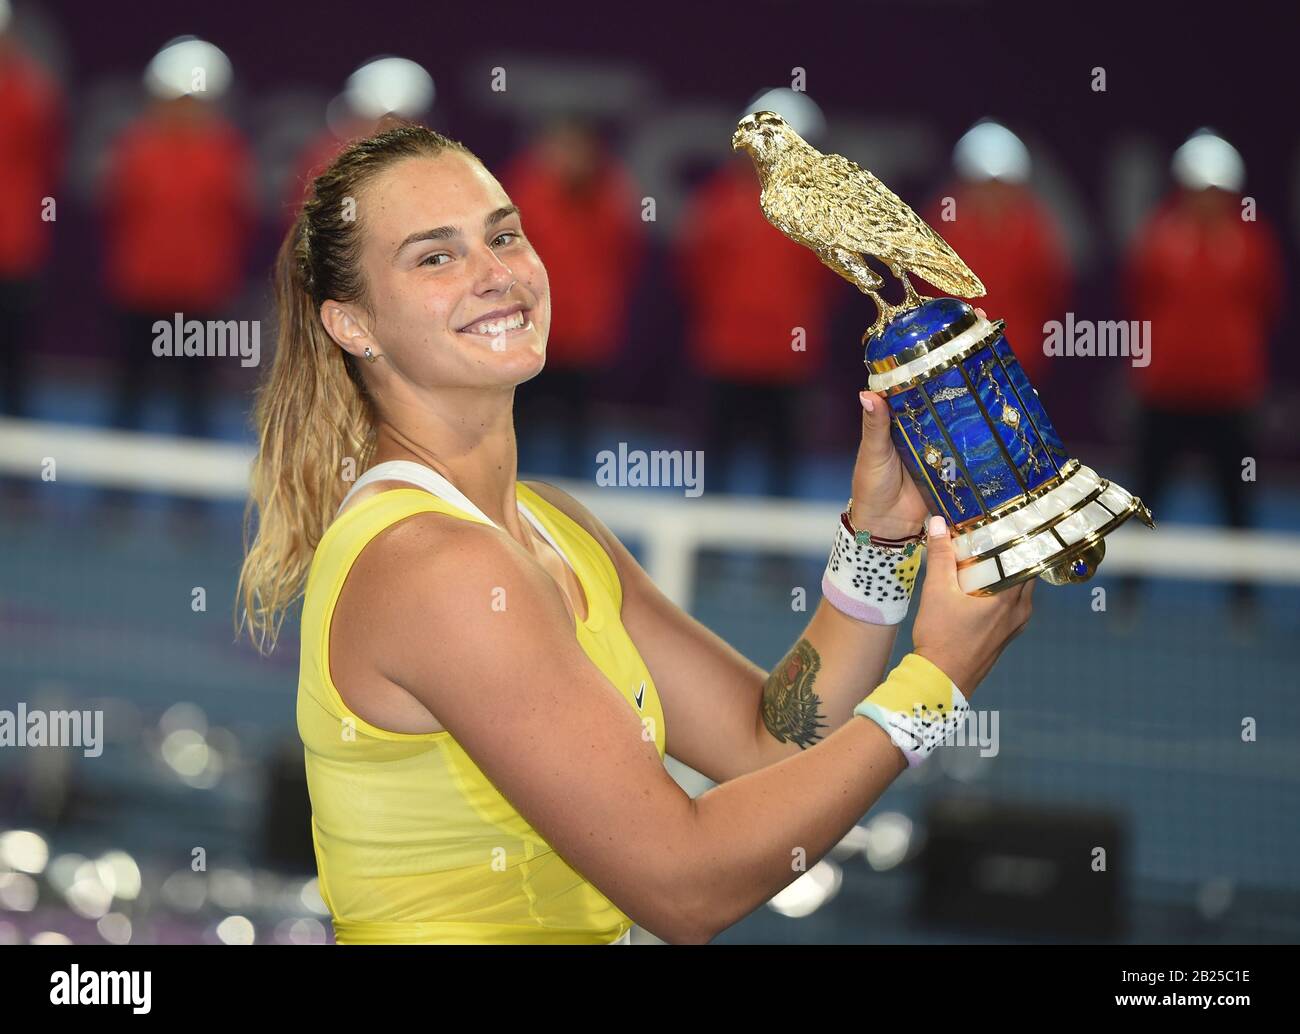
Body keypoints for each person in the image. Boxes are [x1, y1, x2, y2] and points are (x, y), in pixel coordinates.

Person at [235, 123, 1033, 945]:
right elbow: (684, 888)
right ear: (353, 325)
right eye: (435, 257)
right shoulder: (438, 566)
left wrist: (879, 541)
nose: (497, 274)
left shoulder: (553, 524)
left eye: (503, 235)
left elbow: (769, 742)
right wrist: (937, 681)